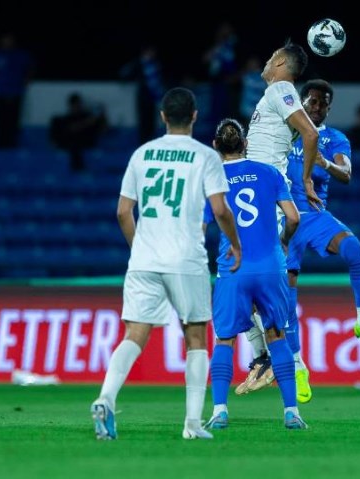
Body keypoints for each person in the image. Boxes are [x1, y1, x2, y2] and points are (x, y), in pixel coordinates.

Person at [90, 87, 242, 441]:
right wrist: (235, 245)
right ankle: (191, 424)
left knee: (134, 335)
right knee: (196, 337)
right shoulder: (206, 156)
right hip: (185, 258)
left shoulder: (142, 155)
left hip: (145, 258)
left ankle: (106, 399)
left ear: (162, 117)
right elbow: (220, 209)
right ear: (194, 116)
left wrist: (138, 246)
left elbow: (122, 211)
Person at [281, 79, 360, 403]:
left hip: (314, 217)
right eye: (311, 101)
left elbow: (345, 174)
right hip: (283, 217)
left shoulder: (334, 139)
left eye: (322, 103)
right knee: (286, 294)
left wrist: (322, 162)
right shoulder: (284, 132)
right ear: (301, 102)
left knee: (354, 248)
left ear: (329, 107)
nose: (316, 107)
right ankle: (299, 365)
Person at [203, 118, 306, 430]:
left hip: (233, 267)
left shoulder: (212, 177)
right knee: (276, 335)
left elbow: (202, 225)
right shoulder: (269, 173)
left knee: (224, 339)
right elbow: (293, 217)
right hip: (270, 266)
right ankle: (292, 413)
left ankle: (220, 411)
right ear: (245, 144)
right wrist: (284, 242)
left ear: (215, 147)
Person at [232, 39, 323, 395]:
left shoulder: (281, 88)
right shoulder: (274, 95)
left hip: (267, 201)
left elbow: (310, 132)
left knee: (246, 279)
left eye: (271, 56)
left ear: (282, 61)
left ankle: (276, 356)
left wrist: (305, 178)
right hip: (258, 199)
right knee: (239, 278)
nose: (266, 61)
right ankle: (264, 356)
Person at [0, 33, 34, 149]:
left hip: (16, 93)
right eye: (4, 40)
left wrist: (27, 80)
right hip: (0, 93)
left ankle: (12, 146)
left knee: (13, 122)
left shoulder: (21, 55)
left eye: (9, 40)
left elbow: (30, 68)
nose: (6, 43)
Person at [49, 92, 108, 171]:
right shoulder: (62, 120)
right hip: (70, 146)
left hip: (86, 144)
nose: (76, 107)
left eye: (78, 104)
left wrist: (102, 115)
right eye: (74, 104)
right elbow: (71, 129)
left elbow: (103, 131)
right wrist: (88, 122)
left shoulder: (87, 116)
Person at [119, 45, 165, 144]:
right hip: (143, 96)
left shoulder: (155, 63)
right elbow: (125, 73)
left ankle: (152, 141)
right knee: (143, 121)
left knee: (152, 121)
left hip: (153, 96)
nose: (154, 54)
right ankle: (143, 143)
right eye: (152, 51)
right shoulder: (138, 62)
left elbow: (159, 79)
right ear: (146, 52)